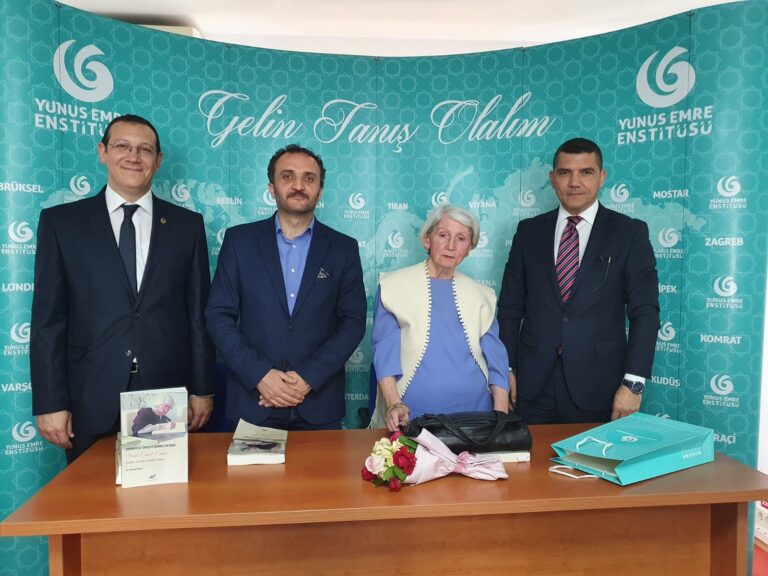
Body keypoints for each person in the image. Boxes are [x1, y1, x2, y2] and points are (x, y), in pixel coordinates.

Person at [31, 114, 215, 462]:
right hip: (89, 396)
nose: (134, 156)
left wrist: (202, 389)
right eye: (122, 146)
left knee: (162, 495)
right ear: (103, 152)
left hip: (165, 397)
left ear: (158, 160)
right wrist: (50, 402)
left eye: (145, 149)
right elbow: (48, 322)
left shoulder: (187, 226)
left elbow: (197, 316)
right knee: (91, 495)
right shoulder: (61, 223)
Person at [498, 137, 660, 424]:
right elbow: (510, 308)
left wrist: (634, 383)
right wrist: (505, 368)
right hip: (531, 387)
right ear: (553, 178)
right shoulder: (528, 232)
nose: (574, 182)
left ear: (602, 177)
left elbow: (645, 312)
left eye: (586, 172)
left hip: (601, 388)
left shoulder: (629, 233)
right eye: (565, 172)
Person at [206, 144, 366, 430]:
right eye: (288, 176)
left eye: (309, 178)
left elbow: (353, 323)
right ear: (272, 187)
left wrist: (308, 378)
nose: (299, 186)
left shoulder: (343, 248)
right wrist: (261, 376)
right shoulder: (240, 242)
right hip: (255, 402)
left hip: (319, 405)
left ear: (320, 190)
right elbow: (218, 316)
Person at [370, 204, 510, 432]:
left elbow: (498, 362)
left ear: (469, 248)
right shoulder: (393, 286)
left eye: (461, 238)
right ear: (427, 240)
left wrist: (500, 418)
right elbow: (384, 353)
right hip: (411, 414)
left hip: (475, 417)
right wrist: (394, 404)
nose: (451, 246)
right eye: (443, 235)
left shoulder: (482, 295)